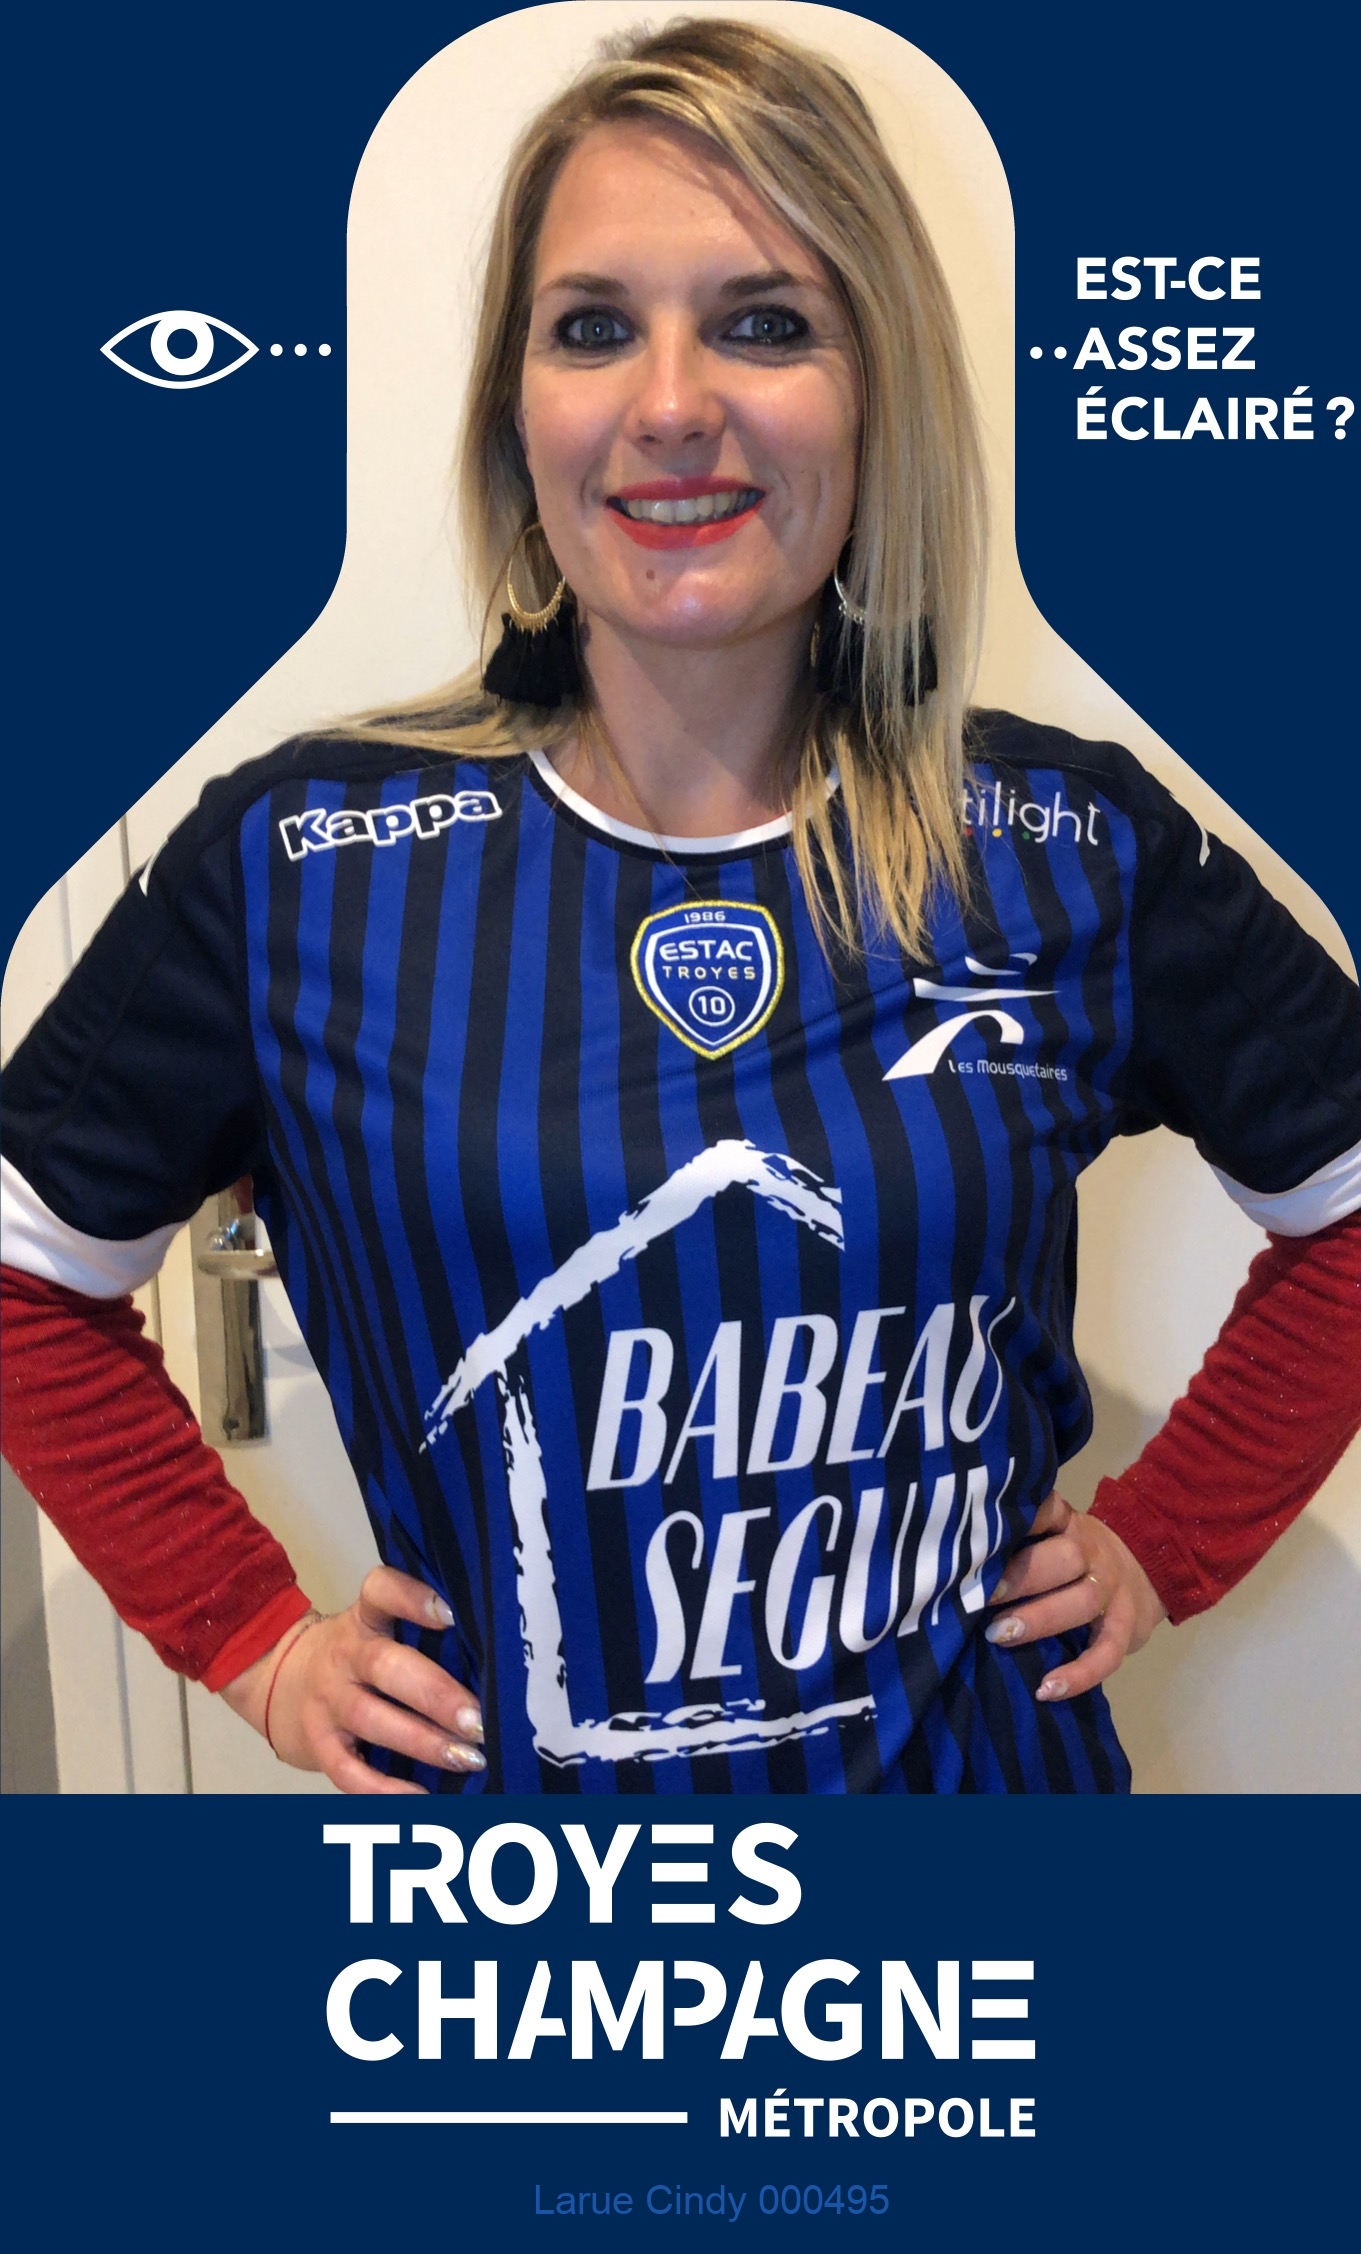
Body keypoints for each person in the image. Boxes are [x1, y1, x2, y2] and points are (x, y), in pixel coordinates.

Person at [3, 17, 1359, 1796]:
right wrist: (249, 1637)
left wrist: (1165, 1539)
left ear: (877, 388)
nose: (667, 404)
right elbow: (27, 1272)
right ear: (515, 411)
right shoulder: (295, 862)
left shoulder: (1066, 845)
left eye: (763, 322)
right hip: (530, 1910)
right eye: (591, 327)